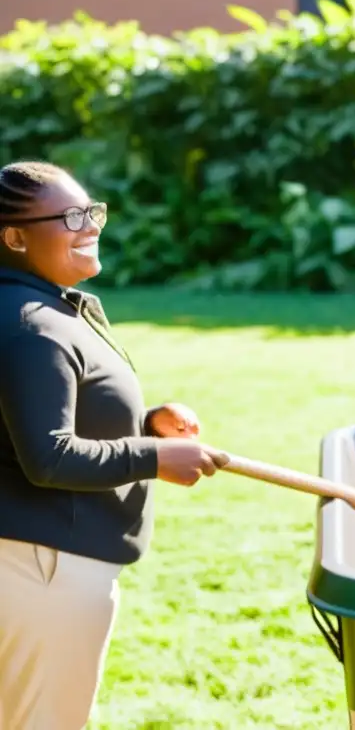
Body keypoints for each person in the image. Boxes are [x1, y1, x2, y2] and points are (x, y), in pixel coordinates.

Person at [0, 161, 230, 729]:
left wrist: (147, 423)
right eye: (71, 216)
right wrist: (155, 458)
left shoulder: (40, 307)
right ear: (14, 237)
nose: (91, 225)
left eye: (92, 210)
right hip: (41, 573)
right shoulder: (30, 323)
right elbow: (48, 455)